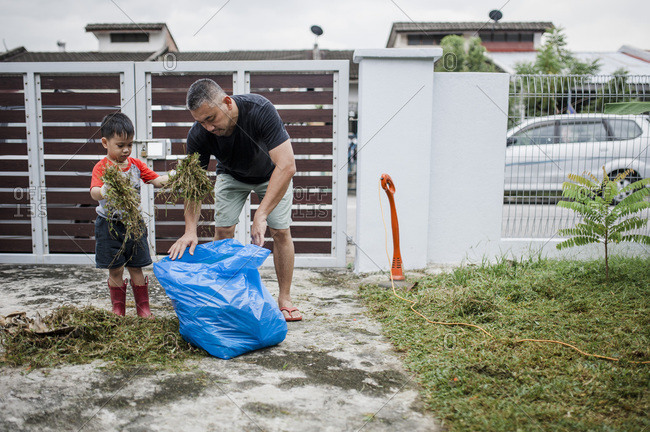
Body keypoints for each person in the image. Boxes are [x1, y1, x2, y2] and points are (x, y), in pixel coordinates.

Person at [167, 79, 302, 322]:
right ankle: (224, 296)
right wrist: (190, 230)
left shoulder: (260, 110)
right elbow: (193, 186)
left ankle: (285, 298)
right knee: (223, 231)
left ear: (227, 103)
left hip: (273, 174)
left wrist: (260, 214)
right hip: (231, 174)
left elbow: (288, 165)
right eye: (201, 122)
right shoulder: (199, 134)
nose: (207, 127)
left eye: (211, 118)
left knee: (280, 231)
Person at [90, 113, 170, 318]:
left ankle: (143, 309)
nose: (126, 149)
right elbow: (94, 192)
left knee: (137, 267)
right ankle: (119, 311)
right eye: (120, 145)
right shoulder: (102, 167)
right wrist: (104, 190)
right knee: (115, 269)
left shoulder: (135, 165)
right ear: (105, 143)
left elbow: (156, 180)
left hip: (133, 223)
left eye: (130, 144)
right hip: (109, 225)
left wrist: (173, 178)